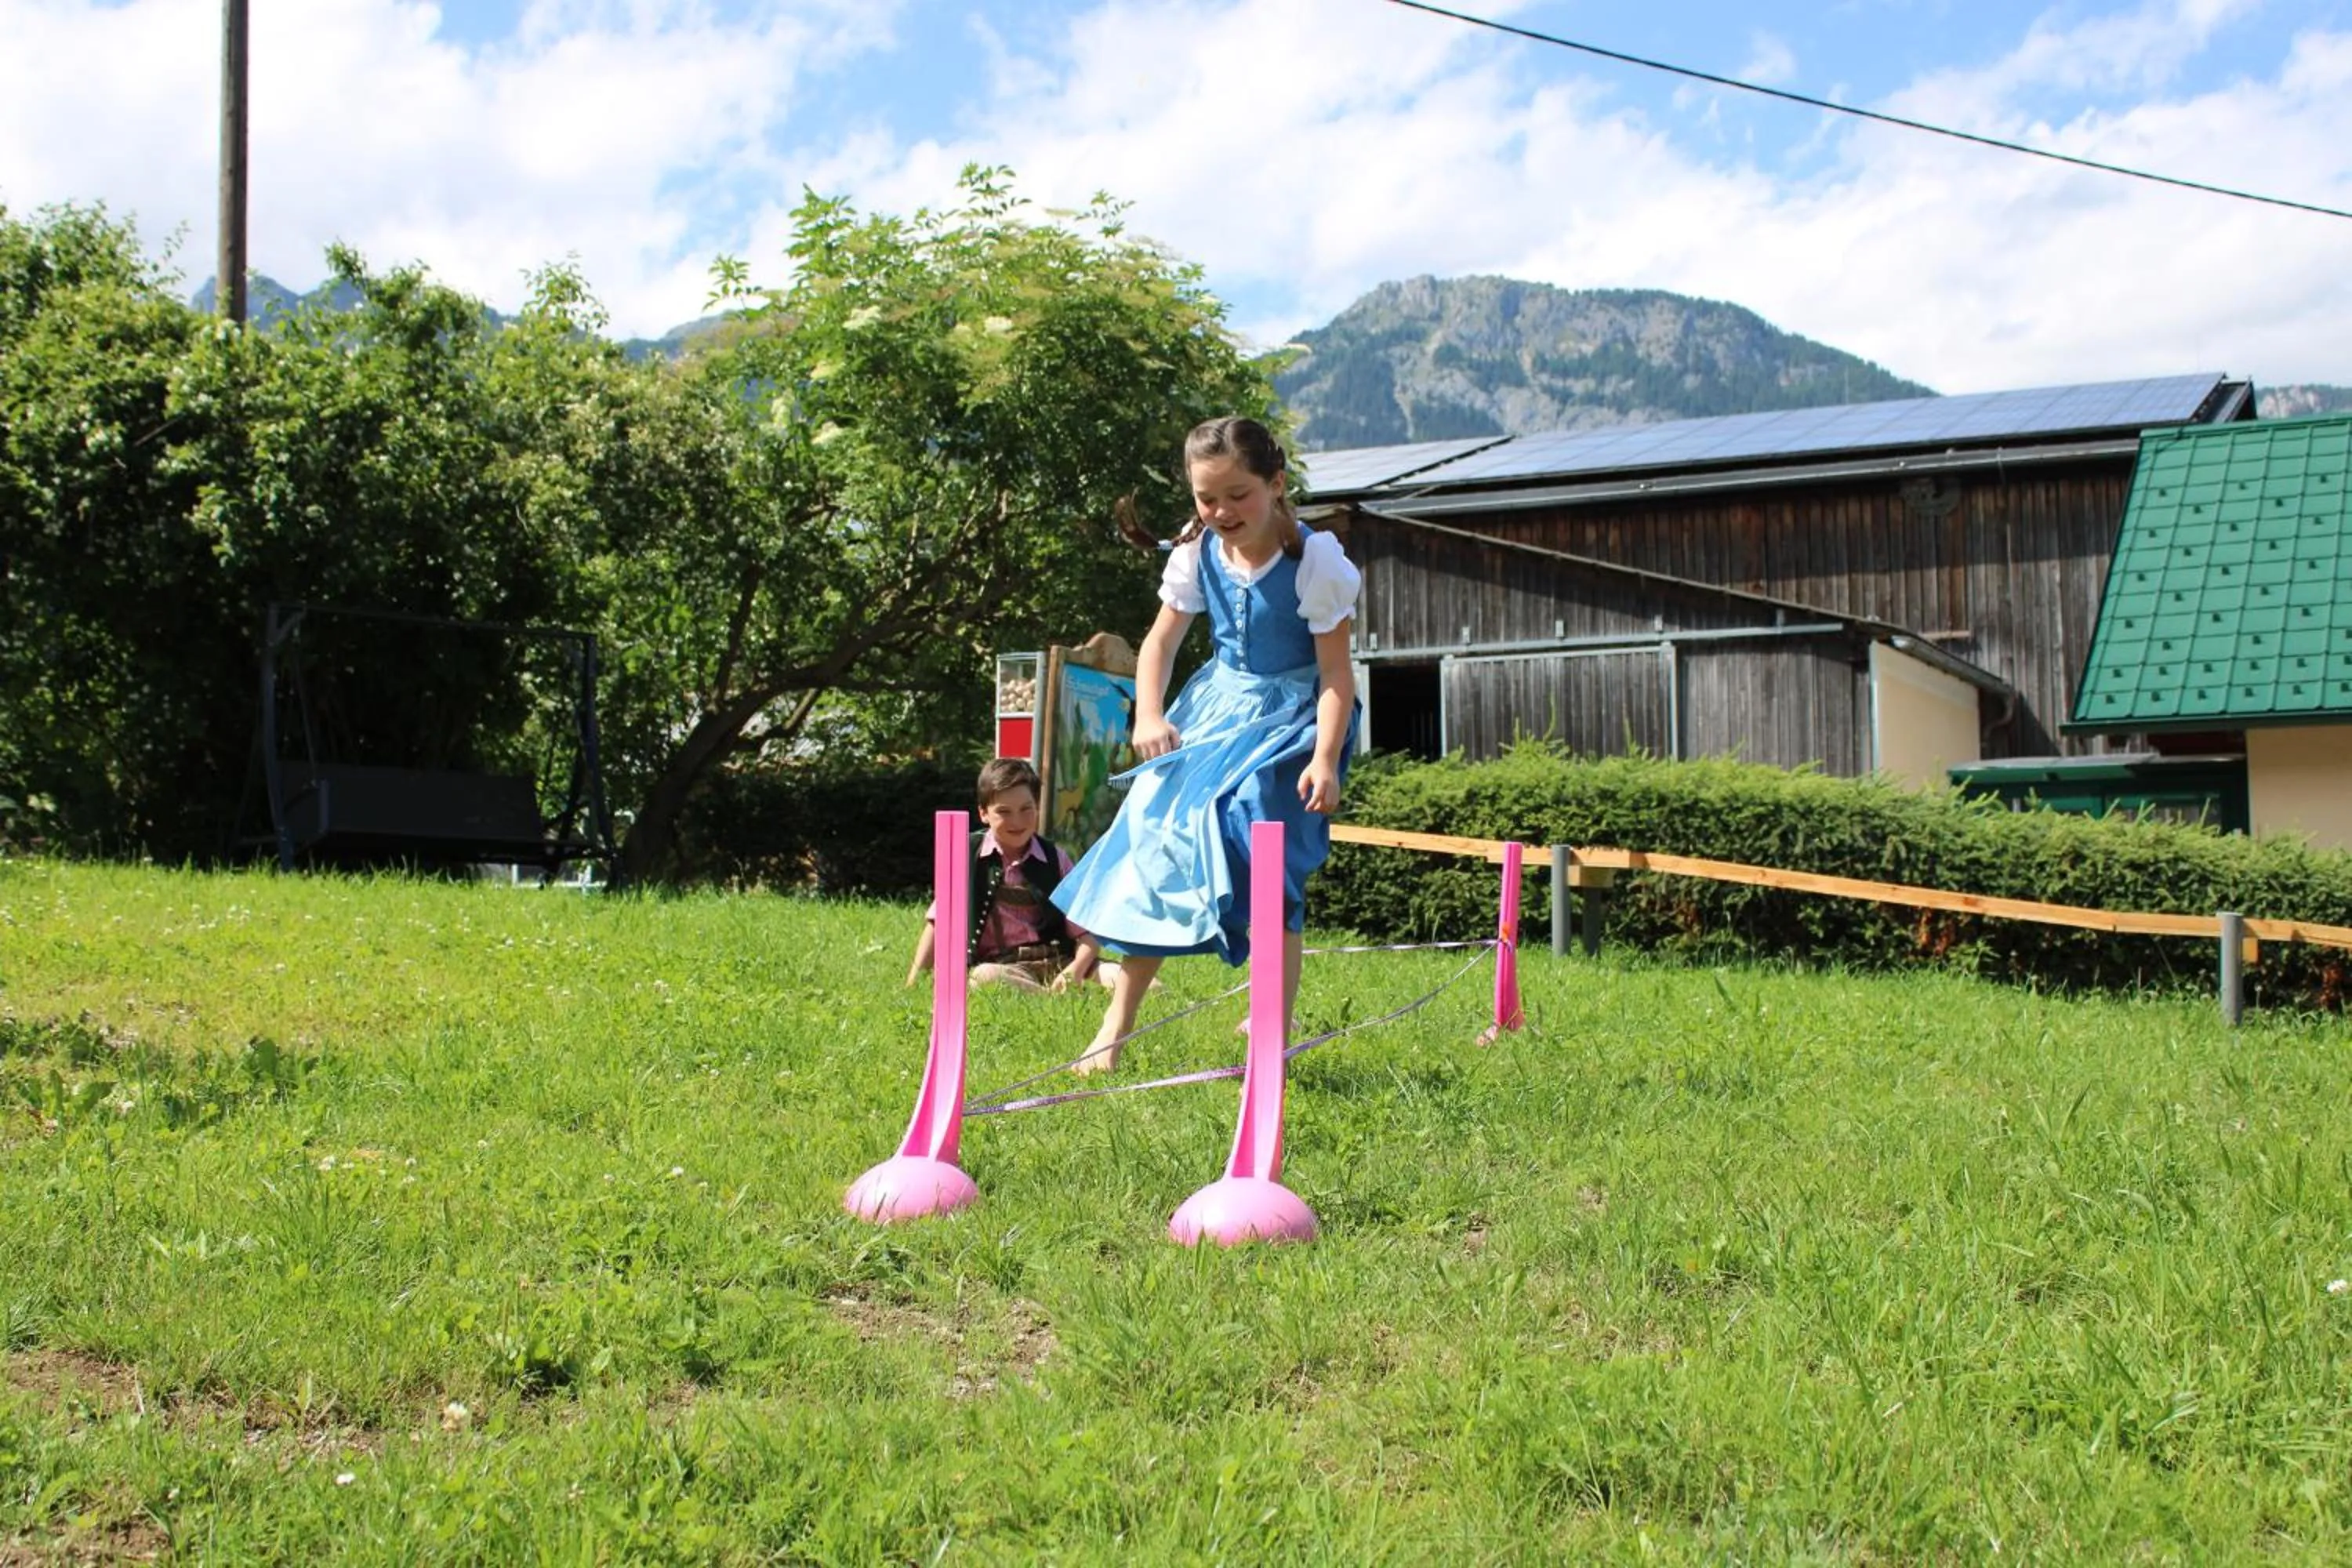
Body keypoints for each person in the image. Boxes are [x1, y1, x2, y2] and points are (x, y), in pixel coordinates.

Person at [1050, 416, 1360, 1073]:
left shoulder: (1316, 563)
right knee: (1155, 837)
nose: (1221, 511)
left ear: (1276, 485)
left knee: (1256, 835)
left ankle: (1273, 1022)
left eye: (1238, 494)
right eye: (1205, 497)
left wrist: (1326, 758)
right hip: (1217, 707)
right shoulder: (1195, 554)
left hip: (1295, 720)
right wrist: (1149, 715)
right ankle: (1114, 1030)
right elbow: (1160, 644)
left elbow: (1337, 676)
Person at [906, 757, 1116, 993]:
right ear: (984, 813)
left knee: (1145, 985)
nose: (1017, 821)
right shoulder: (966, 854)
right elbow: (939, 923)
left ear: (1037, 806)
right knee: (984, 977)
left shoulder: (1056, 859)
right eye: (1004, 812)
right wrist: (914, 984)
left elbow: (1087, 932)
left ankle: (1065, 992)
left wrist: (1075, 970)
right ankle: (1050, 1000)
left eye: (1026, 809)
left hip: (1061, 962)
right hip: (1005, 968)